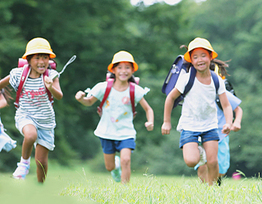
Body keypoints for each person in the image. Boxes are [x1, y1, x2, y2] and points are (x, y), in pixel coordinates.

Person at [162, 38, 233, 186]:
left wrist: (228, 123)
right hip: (190, 125)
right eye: (195, 57)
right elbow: (170, 98)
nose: (200, 60)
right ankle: (201, 153)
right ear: (191, 61)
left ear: (210, 57)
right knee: (191, 161)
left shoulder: (216, 79)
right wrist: (166, 122)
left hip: (210, 125)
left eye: (203, 55)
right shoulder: (186, 79)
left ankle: (211, 190)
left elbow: (226, 105)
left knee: (213, 161)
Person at [75, 51, 154, 183]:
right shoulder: (103, 87)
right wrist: (81, 99)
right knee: (109, 166)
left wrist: (150, 121)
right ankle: (115, 168)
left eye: (127, 67)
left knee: (126, 160)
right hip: (107, 132)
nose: (124, 71)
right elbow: (89, 102)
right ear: (113, 70)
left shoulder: (135, 90)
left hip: (126, 132)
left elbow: (148, 109)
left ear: (132, 70)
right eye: (120, 67)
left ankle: (125, 190)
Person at [0, 38, 63, 182]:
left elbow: (59, 96)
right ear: (28, 59)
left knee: (41, 162)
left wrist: (50, 87)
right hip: (25, 115)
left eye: (45, 57)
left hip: (46, 121)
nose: (41, 61)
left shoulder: (52, 75)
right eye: (37, 58)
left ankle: (40, 187)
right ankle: (24, 164)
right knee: (30, 135)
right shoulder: (18, 74)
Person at [197, 59, 243, 186]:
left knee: (221, 168)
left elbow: (237, 109)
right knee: (202, 166)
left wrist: (236, 122)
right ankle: (205, 190)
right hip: (201, 133)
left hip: (220, 136)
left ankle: (215, 183)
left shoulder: (221, 92)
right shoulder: (195, 90)